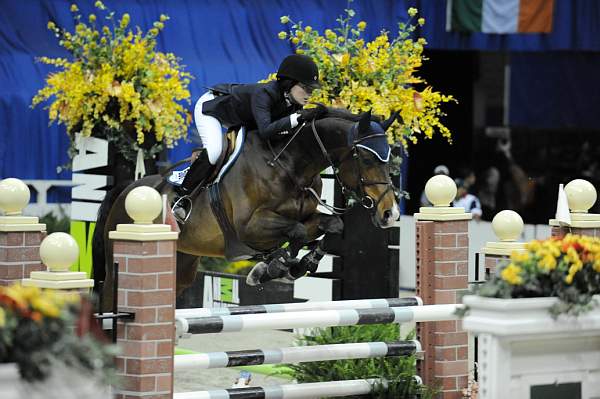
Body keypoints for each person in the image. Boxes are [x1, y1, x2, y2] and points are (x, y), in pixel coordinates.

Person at [172, 54, 326, 196]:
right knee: (214, 151)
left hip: (242, 118)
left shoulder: (293, 102)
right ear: (289, 83)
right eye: (306, 88)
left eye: (311, 90)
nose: (309, 95)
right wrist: (297, 118)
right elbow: (265, 130)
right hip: (212, 108)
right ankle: (183, 192)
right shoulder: (264, 94)